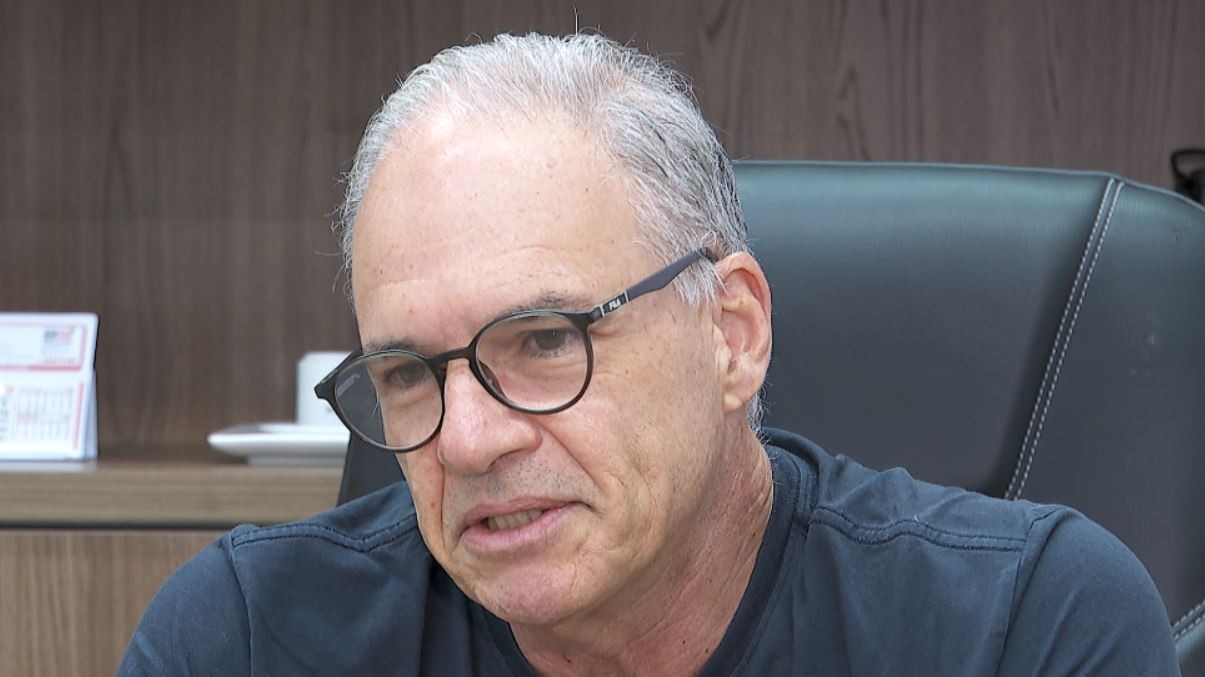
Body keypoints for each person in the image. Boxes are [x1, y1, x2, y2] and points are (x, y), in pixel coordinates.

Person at [118, 33, 1179, 675]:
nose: (469, 440)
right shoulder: (245, 637)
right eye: (406, 373)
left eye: (545, 340)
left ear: (731, 333)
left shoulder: (1026, 625)